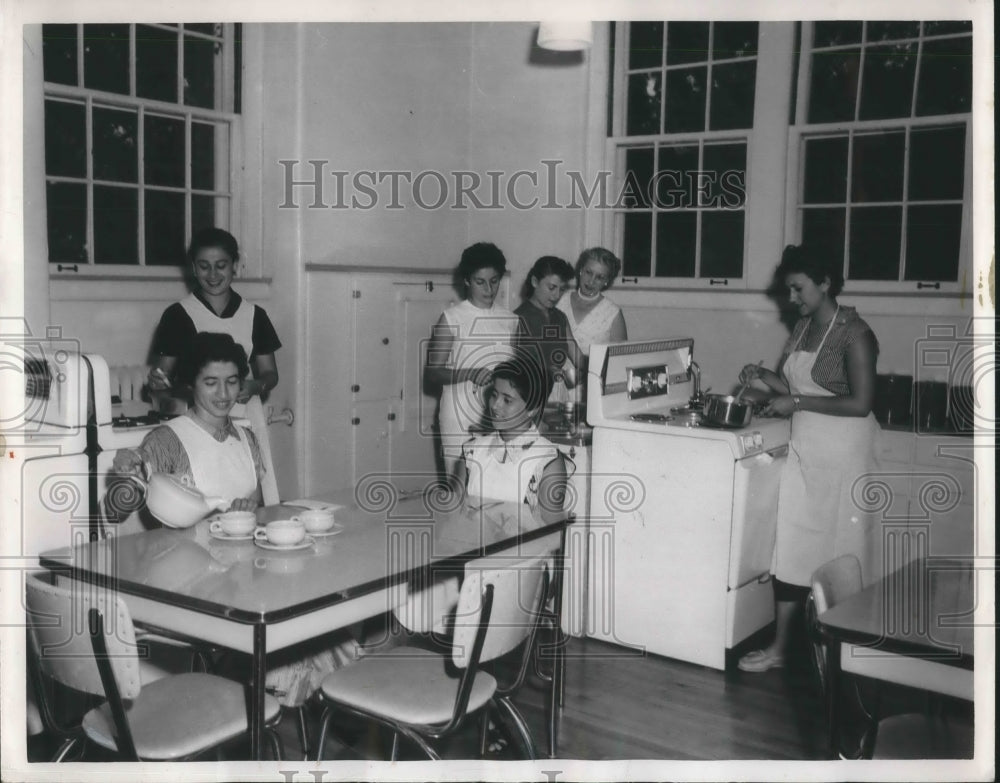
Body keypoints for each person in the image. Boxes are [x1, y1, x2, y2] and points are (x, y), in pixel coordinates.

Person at [737, 244, 881, 673]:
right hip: (807, 448)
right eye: (789, 290)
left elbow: (860, 403)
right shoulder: (803, 328)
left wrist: (796, 401)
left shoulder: (857, 335)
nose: (792, 299)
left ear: (825, 284)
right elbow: (795, 386)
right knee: (793, 547)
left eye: (798, 289)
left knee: (841, 550)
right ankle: (782, 648)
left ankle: (844, 656)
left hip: (845, 452)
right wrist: (766, 378)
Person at [147, 227, 281, 503]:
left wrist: (256, 384)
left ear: (235, 266)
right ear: (193, 269)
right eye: (204, 267)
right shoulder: (177, 315)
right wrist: (160, 385)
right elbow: (161, 378)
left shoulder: (255, 315)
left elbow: (271, 373)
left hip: (246, 418)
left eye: (221, 266)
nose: (213, 275)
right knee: (200, 497)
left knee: (252, 497)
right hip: (200, 419)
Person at [112, 332, 264, 512]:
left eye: (231, 382)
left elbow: (259, 508)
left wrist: (247, 509)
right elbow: (120, 508)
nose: (223, 394)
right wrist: (127, 478)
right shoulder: (165, 440)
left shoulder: (248, 438)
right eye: (210, 383)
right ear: (191, 384)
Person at [425, 242, 518, 477]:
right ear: (467, 281)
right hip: (459, 414)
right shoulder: (451, 318)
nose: (488, 289)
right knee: (460, 488)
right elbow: (433, 372)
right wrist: (469, 373)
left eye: (494, 281)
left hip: (498, 413)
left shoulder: (510, 319)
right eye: (480, 282)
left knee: (495, 486)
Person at [453, 355, 573, 523]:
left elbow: (551, 535)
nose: (495, 405)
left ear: (532, 409)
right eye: (494, 395)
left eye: (507, 400)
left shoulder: (547, 462)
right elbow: (454, 519)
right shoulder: (472, 452)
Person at [556, 247, 628, 403]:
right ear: (580, 270)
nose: (591, 281)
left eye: (600, 277)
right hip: (553, 386)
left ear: (607, 281)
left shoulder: (612, 313)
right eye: (589, 272)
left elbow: (617, 364)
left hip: (590, 392)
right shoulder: (559, 300)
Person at [514, 255, 580, 405]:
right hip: (531, 393)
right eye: (551, 288)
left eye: (561, 289)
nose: (556, 295)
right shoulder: (517, 318)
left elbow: (577, 355)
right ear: (535, 282)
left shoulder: (560, 317)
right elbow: (516, 367)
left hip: (558, 391)